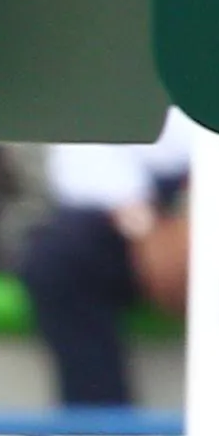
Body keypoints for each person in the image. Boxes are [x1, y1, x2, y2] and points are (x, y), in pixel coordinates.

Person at [16, 114, 186, 415]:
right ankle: (100, 428)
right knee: (59, 259)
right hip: (133, 211)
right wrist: (143, 225)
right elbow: (84, 145)